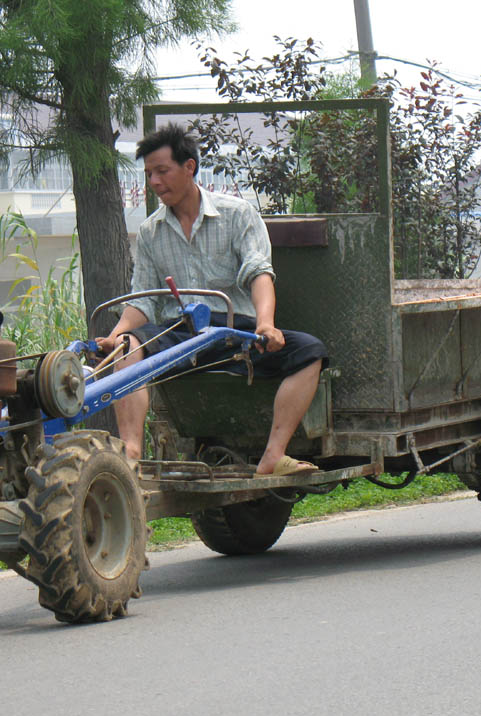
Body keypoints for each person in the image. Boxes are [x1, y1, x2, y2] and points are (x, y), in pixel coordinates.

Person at [98, 124, 328, 476]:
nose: (155, 183)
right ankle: (131, 455)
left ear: (189, 167)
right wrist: (117, 335)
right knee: (128, 347)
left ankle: (273, 457)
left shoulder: (237, 215)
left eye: (163, 171)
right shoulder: (150, 232)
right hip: (182, 333)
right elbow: (142, 301)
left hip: (233, 329)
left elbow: (258, 273)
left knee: (310, 351)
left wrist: (266, 324)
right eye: (149, 174)